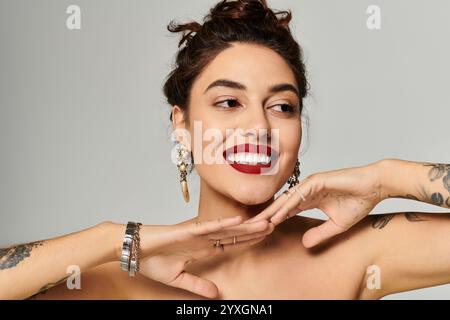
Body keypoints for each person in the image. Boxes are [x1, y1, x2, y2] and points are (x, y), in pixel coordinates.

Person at [1, 0, 449, 300]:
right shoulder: (109, 277)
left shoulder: (354, 253)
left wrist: (388, 177)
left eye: (281, 106)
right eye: (229, 102)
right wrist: (111, 240)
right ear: (182, 124)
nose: (258, 126)